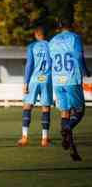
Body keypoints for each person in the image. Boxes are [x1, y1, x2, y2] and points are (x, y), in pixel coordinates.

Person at [49, 17, 91, 161]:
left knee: (65, 113)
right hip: (71, 78)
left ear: (59, 27)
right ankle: (68, 127)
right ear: (71, 25)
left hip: (57, 80)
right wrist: (86, 70)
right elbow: (79, 56)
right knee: (79, 111)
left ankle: (73, 150)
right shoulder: (75, 38)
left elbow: (50, 62)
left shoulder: (52, 41)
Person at [17, 26, 53, 147]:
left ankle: (24, 137)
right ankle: (44, 138)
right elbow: (51, 62)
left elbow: (29, 65)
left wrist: (26, 82)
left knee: (27, 106)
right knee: (46, 107)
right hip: (46, 79)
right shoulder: (50, 45)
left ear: (36, 35)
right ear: (45, 35)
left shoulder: (32, 46)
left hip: (34, 79)